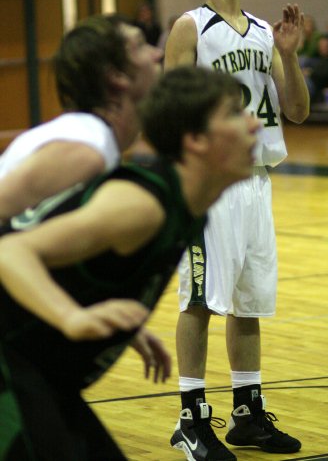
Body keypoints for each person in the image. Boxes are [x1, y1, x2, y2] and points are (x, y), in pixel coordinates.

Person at [0, 66, 260, 461]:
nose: (254, 123)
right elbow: (10, 251)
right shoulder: (141, 205)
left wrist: (107, 317)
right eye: (232, 114)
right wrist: (71, 316)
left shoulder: (187, 207)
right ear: (195, 139)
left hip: (39, 371)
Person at [164, 0, 309, 460]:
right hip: (213, 184)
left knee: (248, 303)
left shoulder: (266, 34)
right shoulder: (190, 28)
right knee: (201, 299)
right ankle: (191, 418)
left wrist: (291, 58)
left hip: (257, 183)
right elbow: (169, 110)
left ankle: (246, 414)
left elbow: (297, 111)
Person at [0, 14, 164, 373]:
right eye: (140, 46)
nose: (156, 54)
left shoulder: (97, 142)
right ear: (116, 76)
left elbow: (40, 240)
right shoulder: (85, 149)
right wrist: (68, 314)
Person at [301, 34, 328, 103]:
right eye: (321, 46)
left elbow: (326, 75)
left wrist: (311, 73)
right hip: (316, 85)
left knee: (305, 82)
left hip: (326, 88)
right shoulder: (319, 58)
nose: (322, 48)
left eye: (325, 46)